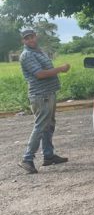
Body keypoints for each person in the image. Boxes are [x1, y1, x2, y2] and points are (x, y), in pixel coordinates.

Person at [18, 29, 70, 174]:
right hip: (41, 95)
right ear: (23, 41)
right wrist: (60, 69)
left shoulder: (39, 52)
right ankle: (27, 159)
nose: (30, 40)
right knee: (41, 126)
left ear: (36, 37)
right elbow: (40, 74)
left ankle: (48, 156)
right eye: (27, 38)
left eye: (32, 37)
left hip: (48, 93)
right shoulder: (27, 55)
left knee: (49, 125)